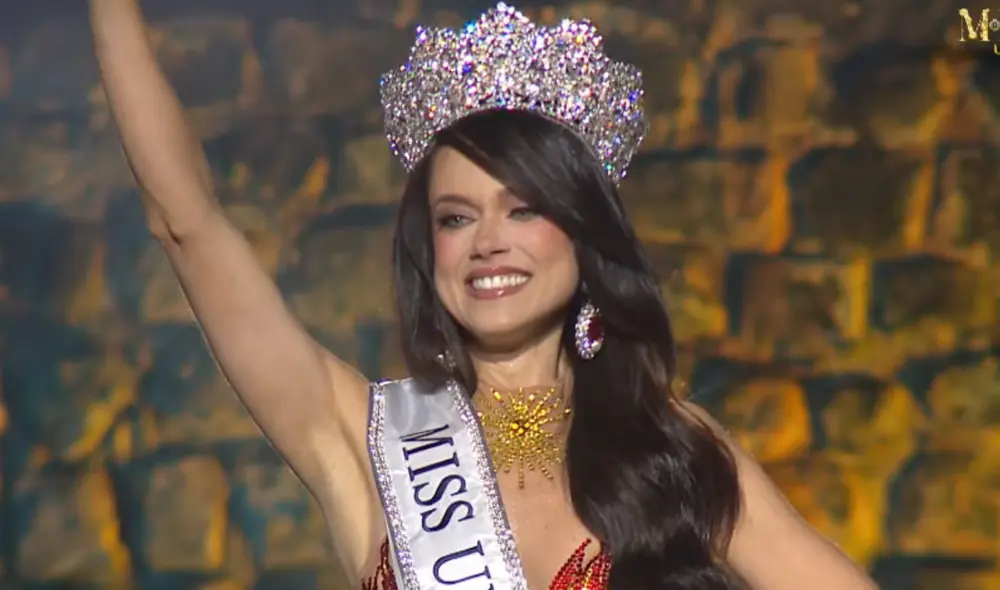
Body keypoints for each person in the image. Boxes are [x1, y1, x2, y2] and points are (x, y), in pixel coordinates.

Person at [88, 0, 881, 588]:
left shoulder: (667, 444)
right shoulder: (361, 437)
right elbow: (186, 222)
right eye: (456, 216)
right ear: (428, 248)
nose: (488, 241)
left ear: (581, 233)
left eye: (524, 208)